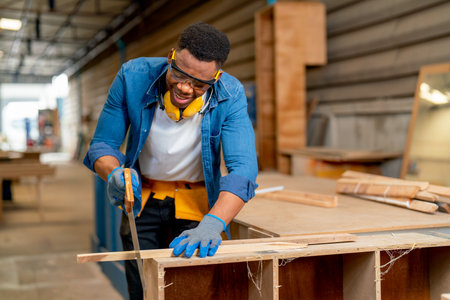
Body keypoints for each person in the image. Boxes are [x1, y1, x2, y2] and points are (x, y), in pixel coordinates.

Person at [83, 22, 258, 299]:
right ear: (171, 57)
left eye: (199, 84)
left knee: (191, 289)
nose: (186, 89)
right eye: (179, 75)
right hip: (141, 200)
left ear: (216, 76)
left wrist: (214, 223)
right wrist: (115, 172)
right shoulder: (133, 77)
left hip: (196, 204)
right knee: (143, 289)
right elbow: (103, 144)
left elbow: (243, 170)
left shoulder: (231, 93)